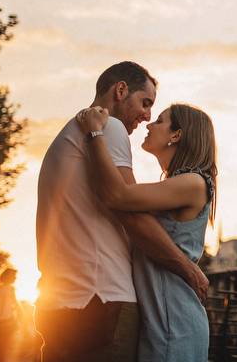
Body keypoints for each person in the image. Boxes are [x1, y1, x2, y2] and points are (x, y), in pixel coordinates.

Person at [35, 61, 209, 362]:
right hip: (101, 300)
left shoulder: (65, 137)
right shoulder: (108, 128)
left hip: (58, 301)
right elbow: (130, 212)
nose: (147, 116)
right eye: (145, 103)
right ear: (120, 90)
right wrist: (188, 268)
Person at [76, 101, 218, 362]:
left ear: (176, 135)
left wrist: (94, 133)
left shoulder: (193, 183)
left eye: (160, 120)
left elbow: (117, 195)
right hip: (163, 319)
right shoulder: (177, 184)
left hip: (174, 323)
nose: (150, 124)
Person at [0, 267, 20, 362]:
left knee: (4, 348)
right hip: (3, 323)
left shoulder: (10, 289)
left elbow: (15, 305)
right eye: (14, 276)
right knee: (1, 348)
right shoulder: (2, 289)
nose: (15, 278)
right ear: (8, 276)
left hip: (10, 321)